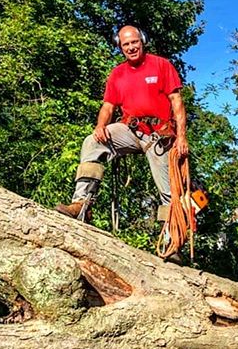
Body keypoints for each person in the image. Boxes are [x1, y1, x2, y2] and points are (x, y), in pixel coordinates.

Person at [56, 25, 188, 223]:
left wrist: (182, 137)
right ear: (120, 47)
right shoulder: (118, 74)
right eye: (126, 44)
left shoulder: (161, 65)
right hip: (130, 130)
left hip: (160, 136)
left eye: (134, 42)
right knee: (92, 142)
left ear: (142, 40)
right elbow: (108, 107)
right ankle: (82, 204)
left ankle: (172, 239)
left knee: (169, 189)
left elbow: (176, 102)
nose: (131, 47)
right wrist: (100, 126)